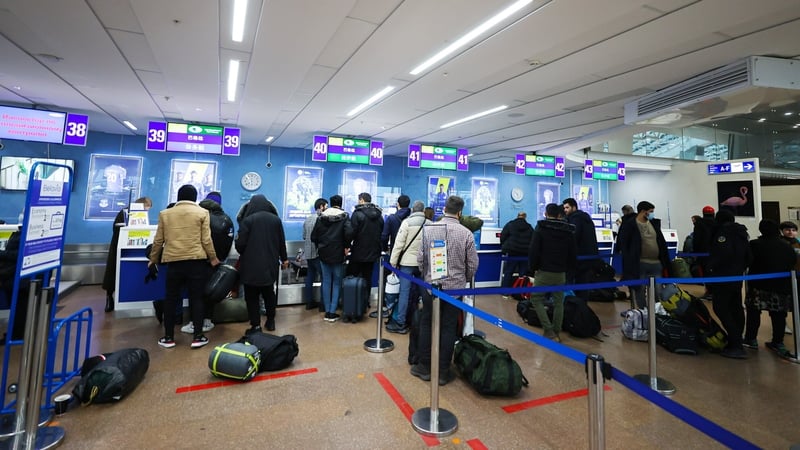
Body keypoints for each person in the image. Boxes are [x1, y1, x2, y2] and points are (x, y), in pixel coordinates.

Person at [411, 195, 478, 386]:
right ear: (460, 213)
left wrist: (427, 275)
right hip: (454, 290)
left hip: (431, 286)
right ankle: (442, 371)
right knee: (449, 328)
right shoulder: (466, 234)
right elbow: (472, 264)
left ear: (444, 209)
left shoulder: (429, 229)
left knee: (427, 324)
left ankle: (424, 367)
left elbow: (421, 259)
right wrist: (463, 279)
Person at [149, 185, 219, 349]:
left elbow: (158, 240)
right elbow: (206, 240)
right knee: (197, 298)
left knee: (171, 298)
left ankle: (168, 337)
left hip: (174, 262)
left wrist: (153, 259)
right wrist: (213, 258)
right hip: (196, 261)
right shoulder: (202, 213)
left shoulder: (165, 214)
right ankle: (198, 337)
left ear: (178, 197)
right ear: (195, 197)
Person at [179, 191, 234, 335]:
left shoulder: (199, 217)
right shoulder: (226, 219)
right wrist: (219, 258)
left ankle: (194, 323)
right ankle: (208, 321)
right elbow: (228, 242)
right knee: (210, 292)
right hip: (216, 262)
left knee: (195, 293)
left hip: (198, 260)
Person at [236, 195, 289, 333]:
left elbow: (240, 245)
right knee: (269, 294)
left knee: (252, 296)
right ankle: (270, 321)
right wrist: (284, 259)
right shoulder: (276, 220)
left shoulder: (247, 220)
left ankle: (256, 325)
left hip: (251, 266)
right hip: (270, 264)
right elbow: (281, 242)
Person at [743, 220, 796, 358]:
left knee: (754, 312)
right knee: (779, 315)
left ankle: (751, 339)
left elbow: (747, 261)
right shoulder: (786, 246)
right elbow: (793, 262)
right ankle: (778, 342)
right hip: (781, 285)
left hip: (758, 285)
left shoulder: (754, 244)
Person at [527, 203, 577, 342]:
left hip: (544, 271)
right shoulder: (567, 230)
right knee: (558, 302)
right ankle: (556, 331)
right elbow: (572, 253)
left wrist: (532, 268)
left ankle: (548, 330)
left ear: (546, 213)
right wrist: (569, 270)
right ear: (559, 214)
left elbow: (533, 251)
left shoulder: (541, 228)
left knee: (536, 298)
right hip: (560, 272)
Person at [706, 210, 751, 359]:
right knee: (736, 307)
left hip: (723, 277)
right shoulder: (741, 233)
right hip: (737, 277)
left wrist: (710, 267)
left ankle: (736, 342)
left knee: (720, 308)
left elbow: (721, 254)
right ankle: (737, 339)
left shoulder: (723, 233)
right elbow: (748, 256)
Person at [615, 201, 671, 309]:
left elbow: (661, 242)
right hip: (639, 264)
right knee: (639, 290)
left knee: (659, 291)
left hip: (656, 263)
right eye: (651, 211)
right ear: (643, 211)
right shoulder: (630, 225)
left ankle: (657, 312)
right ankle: (643, 312)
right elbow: (624, 243)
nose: (652, 214)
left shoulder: (654, 224)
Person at [102, 196, 152, 312]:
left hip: (127, 245)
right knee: (113, 272)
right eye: (147, 207)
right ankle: (109, 297)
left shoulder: (133, 213)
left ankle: (112, 297)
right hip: (119, 245)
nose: (147, 210)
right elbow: (117, 229)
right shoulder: (126, 212)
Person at [388, 201, 429, 334]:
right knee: (425, 292)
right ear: (423, 210)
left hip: (407, 263)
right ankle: (425, 321)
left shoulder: (406, 223)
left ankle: (401, 322)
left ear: (412, 210)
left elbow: (399, 244)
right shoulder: (429, 223)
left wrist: (393, 262)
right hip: (423, 263)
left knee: (404, 293)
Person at [311, 194, 353, 322]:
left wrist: (320, 245)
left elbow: (313, 236)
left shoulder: (321, 217)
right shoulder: (344, 216)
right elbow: (349, 233)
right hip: (338, 253)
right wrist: (346, 246)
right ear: (341, 203)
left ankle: (326, 310)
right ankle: (332, 312)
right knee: (336, 282)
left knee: (326, 281)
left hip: (323, 253)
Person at [347, 192, 384, 321]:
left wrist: (347, 245)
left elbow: (351, 232)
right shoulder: (379, 215)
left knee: (354, 278)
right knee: (367, 278)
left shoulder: (357, 214)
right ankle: (365, 302)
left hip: (358, 252)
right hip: (373, 253)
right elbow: (381, 232)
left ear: (362, 200)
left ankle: (355, 304)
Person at [562, 197, 598, 283]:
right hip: (589, 255)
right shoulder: (585, 217)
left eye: (567, 207)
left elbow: (574, 236)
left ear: (574, 207)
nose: (565, 210)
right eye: (564, 208)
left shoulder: (575, 219)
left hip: (579, 255)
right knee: (585, 280)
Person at [499, 211, 533, 297]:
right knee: (522, 274)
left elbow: (503, 236)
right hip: (525, 253)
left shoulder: (510, 224)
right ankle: (520, 293)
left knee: (509, 271)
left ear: (517, 216)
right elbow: (533, 240)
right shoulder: (529, 227)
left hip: (512, 252)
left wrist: (505, 245)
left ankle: (505, 291)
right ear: (525, 217)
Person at [302, 198, 327, 311]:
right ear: (321, 206)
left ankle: (309, 302)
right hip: (318, 253)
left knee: (310, 277)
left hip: (308, 253)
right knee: (324, 278)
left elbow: (304, 236)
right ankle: (323, 304)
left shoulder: (307, 219)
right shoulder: (321, 219)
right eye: (326, 206)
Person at [779, 220, 800, 335]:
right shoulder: (780, 243)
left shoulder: (798, 242)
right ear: (782, 231)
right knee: (783, 303)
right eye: (787, 230)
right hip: (784, 277)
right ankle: (783, 325)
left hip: (797, 276)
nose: (791, 232)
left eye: (793, 230)